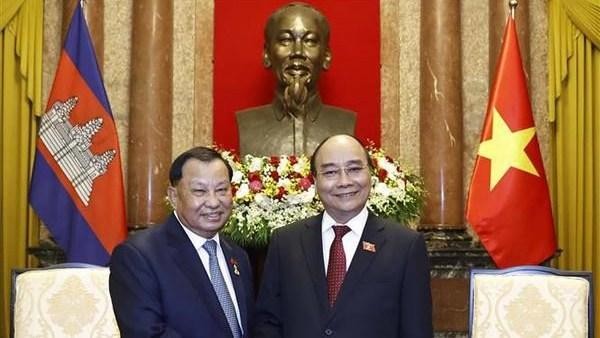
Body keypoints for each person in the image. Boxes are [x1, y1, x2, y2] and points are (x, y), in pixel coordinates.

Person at [253, 134, 433, 338]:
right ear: (314, 180)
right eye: (330, 172)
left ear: (371, 174)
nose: (344, 181)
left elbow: (417, 330)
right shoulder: (286, 242)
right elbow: (267, 322)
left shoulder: (405, 245)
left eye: (354, 169)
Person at [109, 146, 254, 337]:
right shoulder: (138, 256)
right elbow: (147, 333)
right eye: (200, 191)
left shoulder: (238, 255)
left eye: (221, 190)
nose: (213, 202)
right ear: (174, 196)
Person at [236, 2, 356, 157]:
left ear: (326, 56)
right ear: (267, 54)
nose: (297, 52)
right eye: (285, 40)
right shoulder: (248, 124)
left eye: (310, 41)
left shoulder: (345, 123)